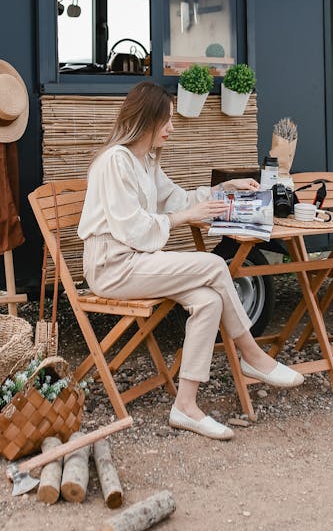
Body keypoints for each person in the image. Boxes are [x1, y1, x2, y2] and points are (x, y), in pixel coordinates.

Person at [78, 81, 304, 441]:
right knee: (215, 265)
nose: (171, 128)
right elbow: (132, 228)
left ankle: (185, 405)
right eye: (166, 120)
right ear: (146, 120)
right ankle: (252, 355)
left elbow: (178, 199)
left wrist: (221, 192)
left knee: (209, 299)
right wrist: (184, 218)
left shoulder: (145, 161)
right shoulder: (114, 162)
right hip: (113, 267)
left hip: (139, 261)